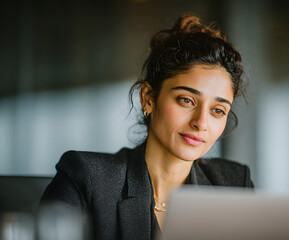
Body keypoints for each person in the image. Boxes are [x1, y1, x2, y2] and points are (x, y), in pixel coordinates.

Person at [40, 13, 254, 240]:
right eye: (186, 100)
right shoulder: (86, 178)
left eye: (218, 111)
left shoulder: (233, 184)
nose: (200, 122)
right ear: (149, 98)